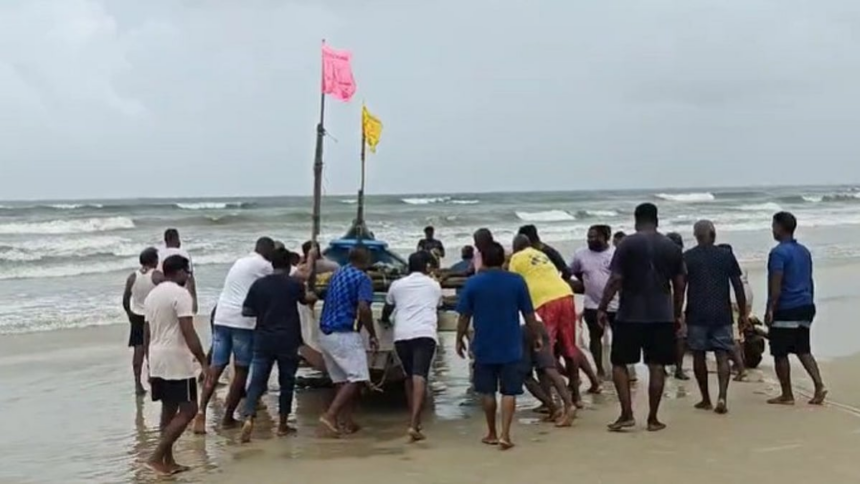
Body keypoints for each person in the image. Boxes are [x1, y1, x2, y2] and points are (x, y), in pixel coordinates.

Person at [598, 203, 685, 432]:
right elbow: (680, 284)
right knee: (657, 365)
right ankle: (653, 419)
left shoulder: (627, 244)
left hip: (630, 314)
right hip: (662, 314)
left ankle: (627, 414)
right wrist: (677, 313)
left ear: (636, 220)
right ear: (657, 220)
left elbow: (616, 279)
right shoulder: (671, 247)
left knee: (619, 363)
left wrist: (602, 307)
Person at [456, 241, 544, 450]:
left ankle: (492, 433)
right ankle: (505, 434)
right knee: (509, 392)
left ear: (483, 260)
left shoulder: (473, 283)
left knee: (487, 391)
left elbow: (464, 316)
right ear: (503, 260)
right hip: (510, 344)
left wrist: (459, 338)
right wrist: (537, 336)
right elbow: (529, 314)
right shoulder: (516, 281)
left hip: (484, 344)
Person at [194, 237, 276, 434]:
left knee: (216, 367)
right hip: (242, 321)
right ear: (268, 251)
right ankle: (228, 418)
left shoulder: (240, 262)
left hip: (221, 316)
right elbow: (280, 281)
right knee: (241, 369)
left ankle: (200, 412)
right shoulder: (265, 266)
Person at [239, 248, 313, 443]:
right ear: (289, 264)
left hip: (263, 339)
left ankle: (249, 417)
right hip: (288, 339)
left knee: (257, 381)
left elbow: (246, 311)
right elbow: (305, 300)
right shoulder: (294, 284)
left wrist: (264, 311)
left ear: (272, 264)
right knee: (286, 382)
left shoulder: (259, 284)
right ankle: (282, 425)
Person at [143, 255, 208, 475]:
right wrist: (203, 360)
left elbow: (146, 331)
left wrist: (148, 361)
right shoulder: (181, 294)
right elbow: (187, 330)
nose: (188, 276)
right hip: (176, 358)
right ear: (179, 272)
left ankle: (167, 461)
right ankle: (156, 456)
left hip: (156, 356)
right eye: (187, 272)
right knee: (189, 409)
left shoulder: (152, 295)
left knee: (168, 408)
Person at [509, 234, 581, 415]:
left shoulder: (516, 258)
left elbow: (512, 283)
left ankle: (548, 400)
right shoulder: (541, 254)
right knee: (569, 348)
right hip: (565, 295)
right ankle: (576, 395)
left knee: (541, 352)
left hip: (544, 301)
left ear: (515, 248)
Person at [684, 220, 747, 415]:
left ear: (696, 236)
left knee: (698, 355)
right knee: (722, 354)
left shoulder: (688, 257)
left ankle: (705, 399)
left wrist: (677, 311)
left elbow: (680, 287)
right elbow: (737, 285)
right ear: (713, 234)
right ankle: (722, 397)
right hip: (721, 312)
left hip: (696, 313)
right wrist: (743, 313)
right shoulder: (725, 255)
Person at [317, 247, 380, 437]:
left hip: (325, 333)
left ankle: (346, 422)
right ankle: (330, 416)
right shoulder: (363, 278)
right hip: (342, 333)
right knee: (358, 377)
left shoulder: (338, 273)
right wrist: (372, 333)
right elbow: (364, 308)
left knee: (342, 380)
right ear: (366, 260)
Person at [766, 212, 827, 405]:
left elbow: (776, 285)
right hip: (805, 304)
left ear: (780, 227)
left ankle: (787, 394)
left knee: (780, 352)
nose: (772, 229)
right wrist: (809, 301)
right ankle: (819, 385)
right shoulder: (804, 251)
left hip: (786, 307)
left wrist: (770, 309)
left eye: (773, 225)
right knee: (803, 349)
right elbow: (809, 280)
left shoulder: (778, 253)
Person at [381, 251, 443, 442]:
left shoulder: (397, 285)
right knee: (420, 376)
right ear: (427, 266)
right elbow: (438, 306)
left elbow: (387, 308)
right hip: (424, 333)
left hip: (402, 335)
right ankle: (414, 423)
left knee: (409, 376)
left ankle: (413, 418)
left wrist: (385, 320)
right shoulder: (434, 285)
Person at [570, 225, 617, 380]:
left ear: (606, 237)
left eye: (594, 236)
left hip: (615, 304)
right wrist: (584, 284)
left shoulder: (615, 254)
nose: (590, 240)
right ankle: (600, 369)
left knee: (619, 338)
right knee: (595, 337)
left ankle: (618, 367)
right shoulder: (580, 254)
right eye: (589, 237)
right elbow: (573, 271)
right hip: (592, 304)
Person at [123, 247, 159, 396]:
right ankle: (153, 376)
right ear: (153, 260)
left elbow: (125, 299)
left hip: (137, 316)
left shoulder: (132, 276)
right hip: (153, 316)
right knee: (154, 348)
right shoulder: (157, 276)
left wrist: (129, 314)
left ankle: (137, 383)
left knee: (138, 351)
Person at [719, 243, 753, 381]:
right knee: (739, 333)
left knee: (733, 337)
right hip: (747, 298)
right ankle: (740, 362)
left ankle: (740, 368)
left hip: (733, 300)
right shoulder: (739, 265)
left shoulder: (722, 265)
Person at [664, 232, 690, 381]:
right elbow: (681, 288)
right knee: (680, 336)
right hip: (674, 303)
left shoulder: (656, 259)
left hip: (659, 304)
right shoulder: (680, 262)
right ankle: (678, 369)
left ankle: (662, 367)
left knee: (661, 336)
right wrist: (678, 312)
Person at [158, 229, 198, 314]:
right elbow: (190, 279)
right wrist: (194, 301)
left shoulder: (159, 255)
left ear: (165, 241)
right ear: (177, 239)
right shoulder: (185, 254)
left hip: (164, 293)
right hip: (182, 293)